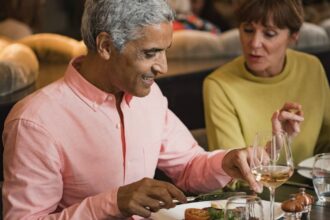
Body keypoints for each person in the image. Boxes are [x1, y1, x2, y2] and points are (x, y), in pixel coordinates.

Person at [2, 0, 302, 219]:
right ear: (105, 46)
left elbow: (187, 166)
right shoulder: (34, 121)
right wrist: (113, 202)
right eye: (150, 53)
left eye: (165, 51)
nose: (163, 67)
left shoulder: (148, 96)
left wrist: (226, 162)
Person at [203, 0, 330, 164]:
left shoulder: (311, 67)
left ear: (293, 36)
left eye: (269, 34)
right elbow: (232, 176)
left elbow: (325, 144)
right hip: (255, 189)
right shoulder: (218, 84)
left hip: (311, 188)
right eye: (248, 30)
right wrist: (274, 148)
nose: (254, 44)